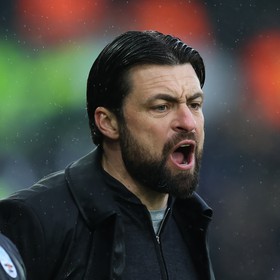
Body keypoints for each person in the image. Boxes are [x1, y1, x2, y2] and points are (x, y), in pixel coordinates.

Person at [0, 30, 214, 280]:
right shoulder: (34, 220)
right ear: (109, 123)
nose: (188, 122)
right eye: (161, 107)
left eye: (194, 105)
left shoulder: (191, 221)